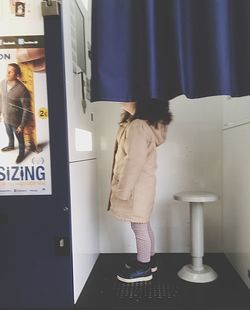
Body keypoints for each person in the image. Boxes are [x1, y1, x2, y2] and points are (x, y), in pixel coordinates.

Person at [108, 99, 173, 283]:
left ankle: (144, 268)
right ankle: (150, 260)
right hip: (142, 186)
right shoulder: (143, 125)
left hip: (135, 188)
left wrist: (123, 191)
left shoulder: (137, 126)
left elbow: (133, 162)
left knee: (139, 226)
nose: (122, 99)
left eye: (128, 96)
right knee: (143, 223)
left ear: (142, 102)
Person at [0, 63, 31, 164]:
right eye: (7, 70)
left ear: (17, 75)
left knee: (20, 140)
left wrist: (22, 126)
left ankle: (21, 154)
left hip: (16, 122)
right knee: (9, 133)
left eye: (11, 71)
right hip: (6, 117)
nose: (7, 73)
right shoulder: (3, 83)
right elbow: (1, 99)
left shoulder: (22, 90)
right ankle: (11, 145)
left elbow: (27, 109)